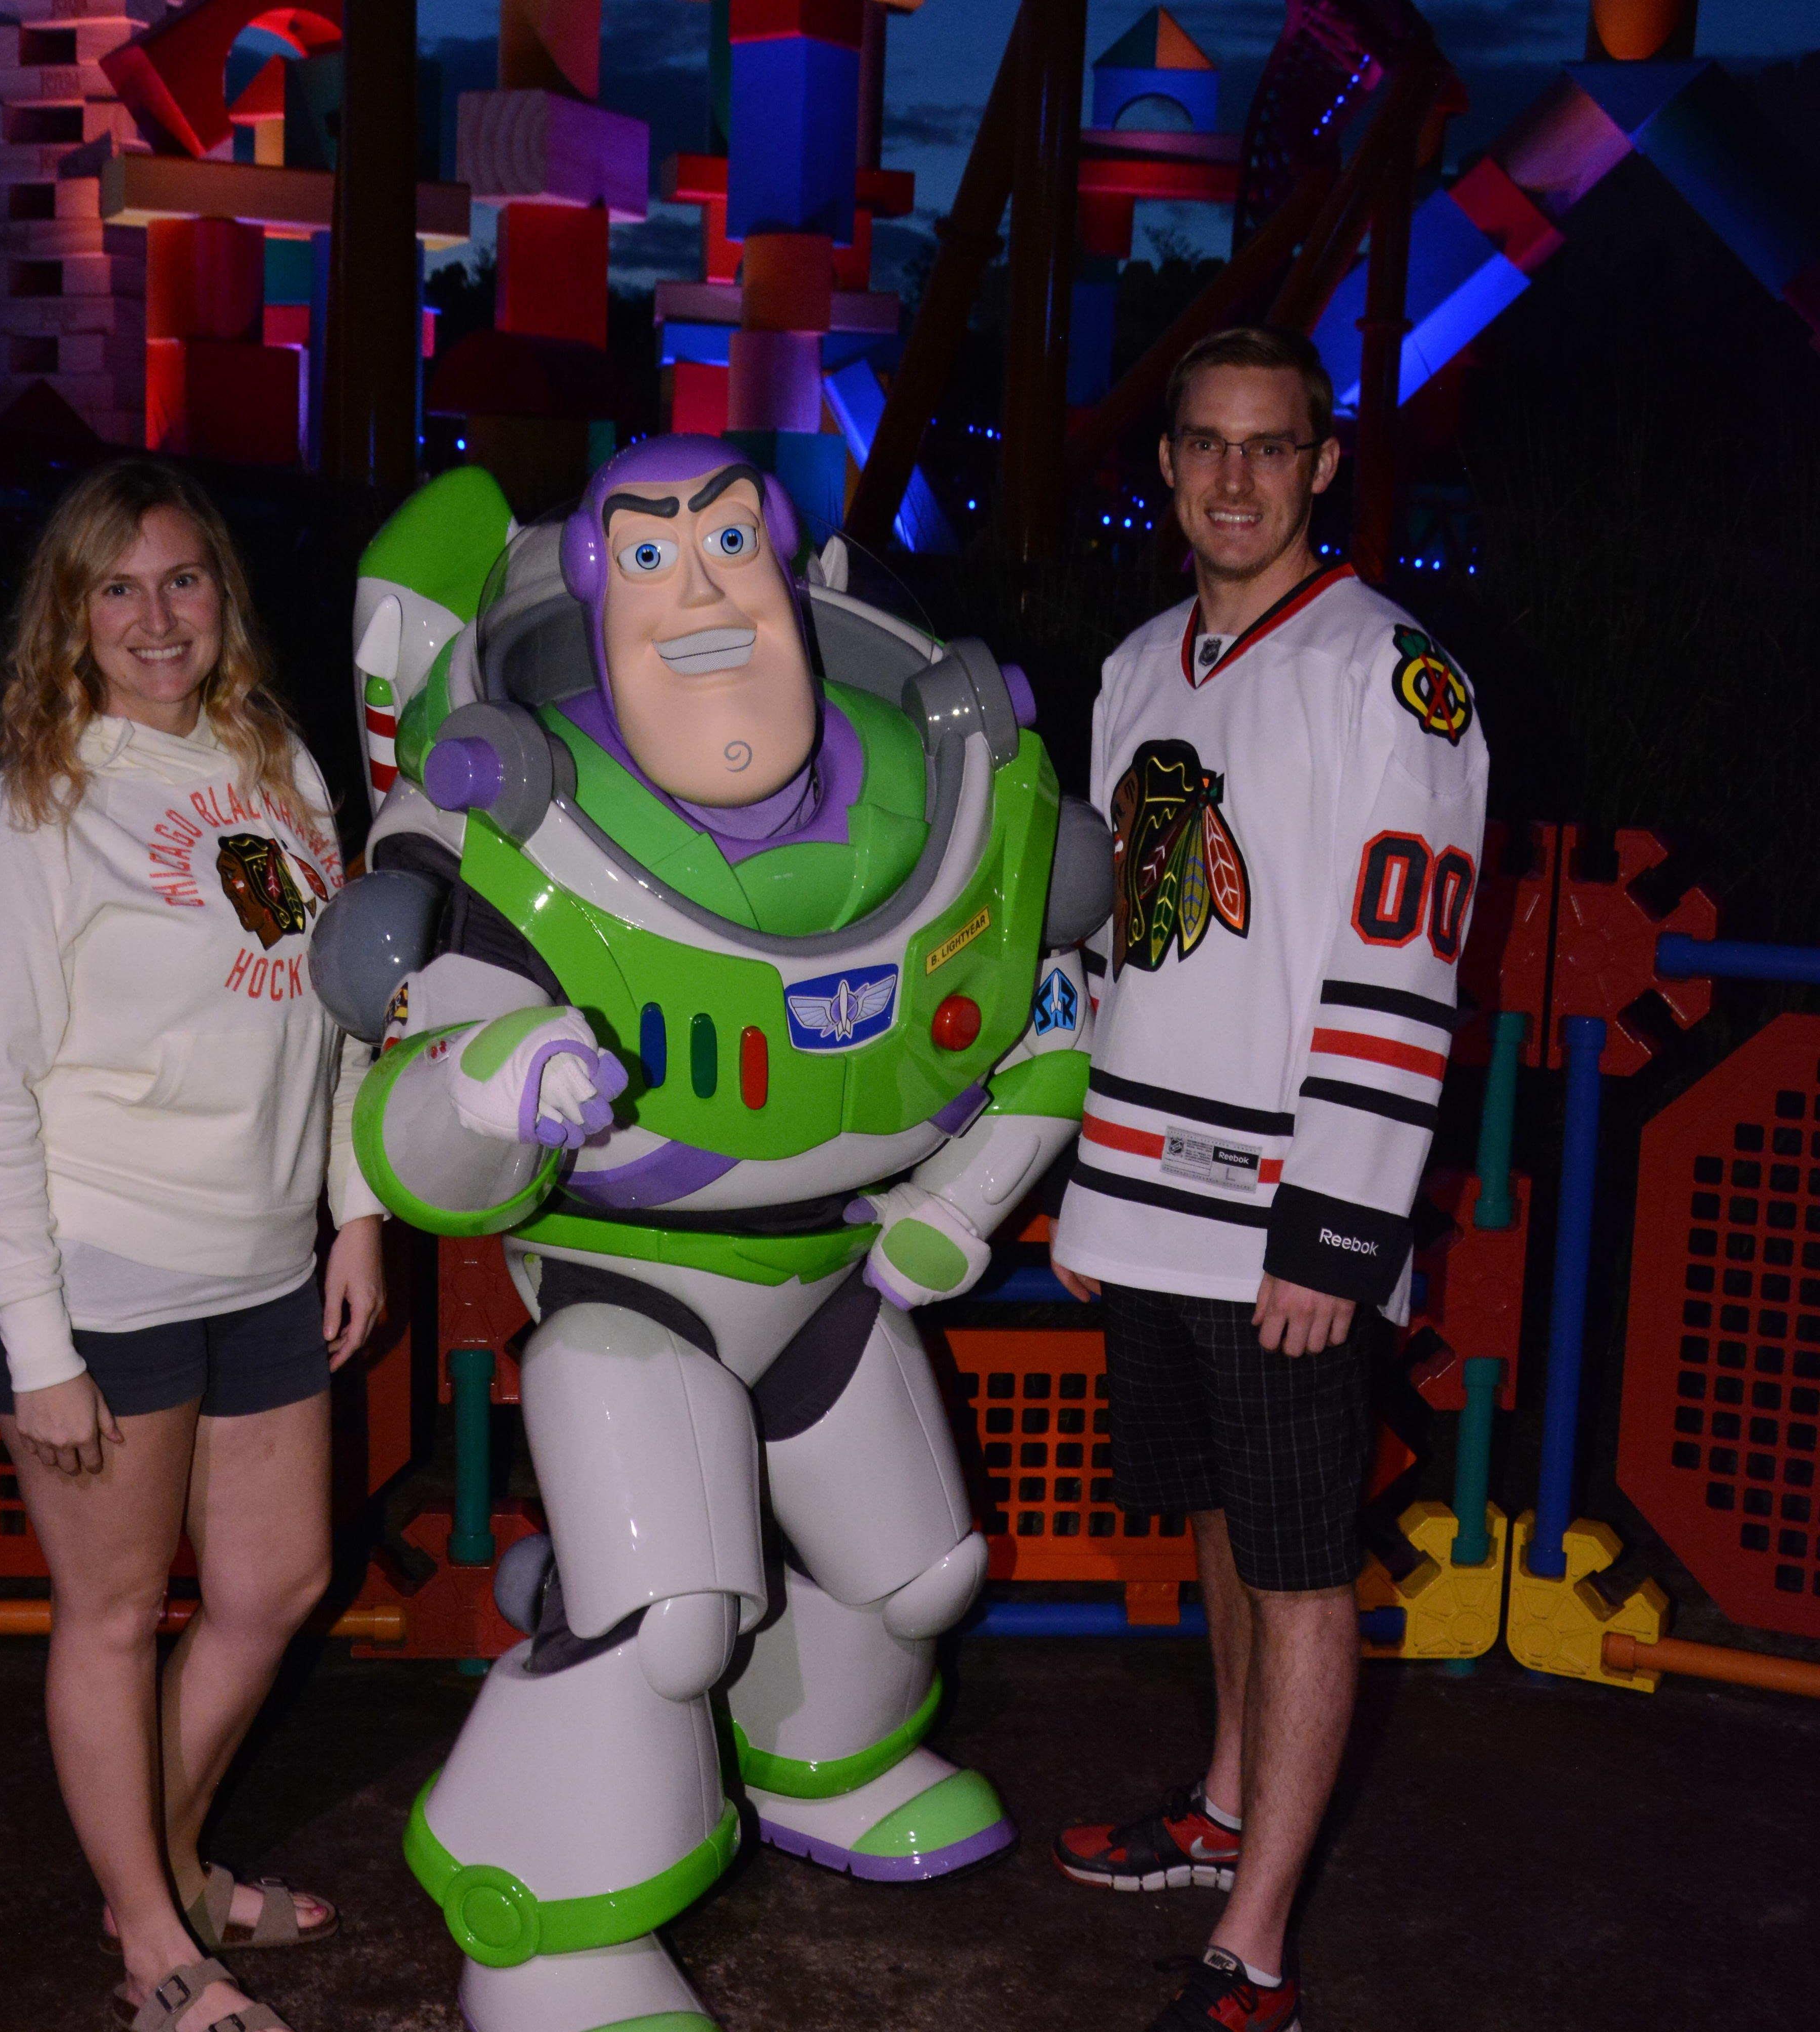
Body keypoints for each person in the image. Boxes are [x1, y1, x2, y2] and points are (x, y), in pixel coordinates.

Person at [311, 436, 1106, 2032]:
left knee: (926, 1576)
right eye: (651, 558)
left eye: (731, 544)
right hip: (636, 1293)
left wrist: (960, 1207)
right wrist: (490, 1086)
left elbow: (1047, 1030)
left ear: (791, 570)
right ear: (595, 594)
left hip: (828, 1276)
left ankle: (823, 1759)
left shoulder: (925, 797)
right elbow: (405, 1124)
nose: (701, 593)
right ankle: (540, 1927)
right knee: (675, 1619)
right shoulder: (520, 819)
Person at [1049, 328, 1488, 2032]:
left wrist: (1340, 1226)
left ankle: (1260, 1947)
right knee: (1226, 1519)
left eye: (1270, 447)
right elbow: (1108, 955)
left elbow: (1403, 965)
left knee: (1304, 1567)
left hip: (1290, 1215)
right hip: (1149, 1196)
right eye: (1208, 446)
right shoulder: (1135, 668)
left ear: (1322, 464)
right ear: (1168, 464)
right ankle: (1223, 1805)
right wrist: (1091, 1185)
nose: (1236, 478)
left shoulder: (1395, 676)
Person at [0, 457, 387, 2032]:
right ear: (69, 614)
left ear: (221, 598)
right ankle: (151, 1940)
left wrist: (354, 1211)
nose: (154, 617)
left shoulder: (278, 766)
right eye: (116, 588)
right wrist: (38, 1347)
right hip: (99, 1271)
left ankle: (168, 1870)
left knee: (277, 1583)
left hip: (263, 1258)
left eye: (181, 579)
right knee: (117, 1615)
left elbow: (338, 1013)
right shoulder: (30, 809)